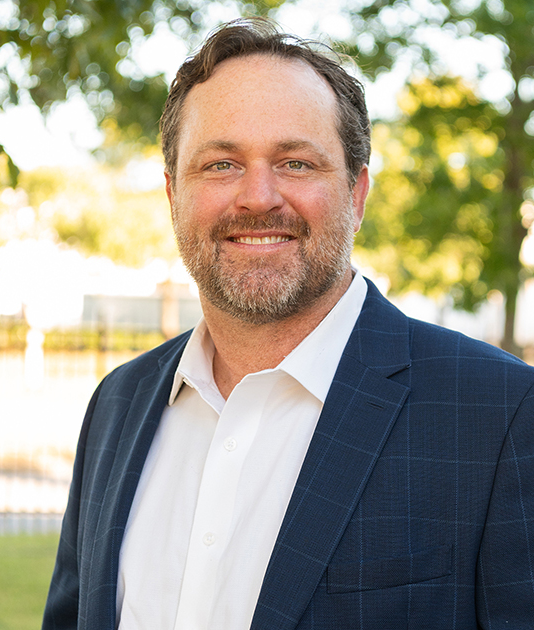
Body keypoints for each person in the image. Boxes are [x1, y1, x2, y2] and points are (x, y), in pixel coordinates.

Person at [43, 18, 534, 630]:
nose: (258, 196)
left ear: (356, 194)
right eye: (220, 164)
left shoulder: (501, 414)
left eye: (296, 163)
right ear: (172, 195)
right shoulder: (117, 403)